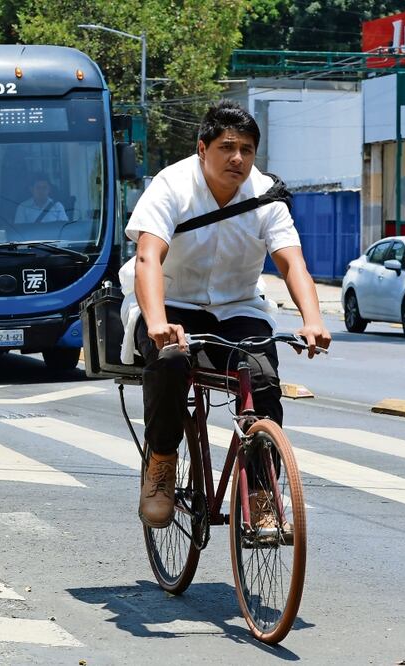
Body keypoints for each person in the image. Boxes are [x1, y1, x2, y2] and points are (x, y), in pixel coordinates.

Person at [118, 100, 331, 529]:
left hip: (238, 308)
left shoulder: (266, 196)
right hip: (171, 302)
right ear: (202, 148)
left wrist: (313, 318)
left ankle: (260, 489)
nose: (238, 159)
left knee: (264, 378)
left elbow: (292, 264)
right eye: (227, 147)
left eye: (247, 150)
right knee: (171, 360)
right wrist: (157, 322)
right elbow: (147, 258)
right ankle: (160, 465)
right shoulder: (171, 185)